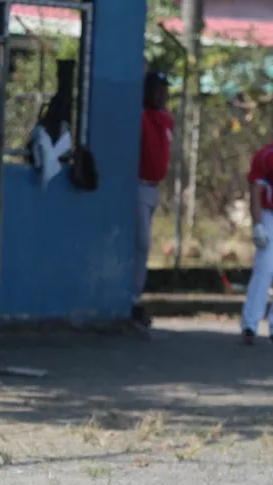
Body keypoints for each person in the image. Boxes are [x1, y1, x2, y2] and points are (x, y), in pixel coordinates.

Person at [132, 71, 174, 327]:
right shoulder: (141, 116)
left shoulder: (166, 119)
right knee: (141, 245)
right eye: (156, 89)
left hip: (153, 188)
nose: (161, 94)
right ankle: (133, 299)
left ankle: (134, 297)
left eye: (164, 89)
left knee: (143, 246)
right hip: (136, 186)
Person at [240, 140, 273, 345]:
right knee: (265, 268)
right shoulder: (266, 156)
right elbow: (255, 191)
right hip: (269, 214)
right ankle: (250, 325)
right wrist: (257, 224)